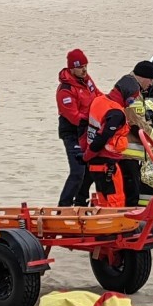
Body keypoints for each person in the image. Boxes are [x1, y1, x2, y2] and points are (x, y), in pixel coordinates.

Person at [110, 61, 153, 207]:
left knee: (131, 192)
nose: (151, 84)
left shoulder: (130, 87)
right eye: (151, 80)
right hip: (127, 154)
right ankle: (129, 228)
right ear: (143, 77)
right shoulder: (132, 91)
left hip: (128, 153)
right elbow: (135, 123)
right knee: (130, 195)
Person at [56, 49, 99, 207]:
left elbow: (98, 96)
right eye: (80, 66)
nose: (84, 69)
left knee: (90, 171)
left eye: (86, 65)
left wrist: (110, 107)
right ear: (71, 68)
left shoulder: (87, 81)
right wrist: (93, 118)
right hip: (73, 133)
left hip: (88, 130)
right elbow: (74, 117)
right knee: (77, 171)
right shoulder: (65, 90)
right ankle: (63, 207)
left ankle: (80, 203)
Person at [83, 89, 130, 208]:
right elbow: (103, 136)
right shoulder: (116, 113)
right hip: (107, 165)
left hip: (96, 164)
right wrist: (89, 153)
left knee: (104, 201)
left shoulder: (98, 102)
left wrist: (87, 155)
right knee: (115, 201)